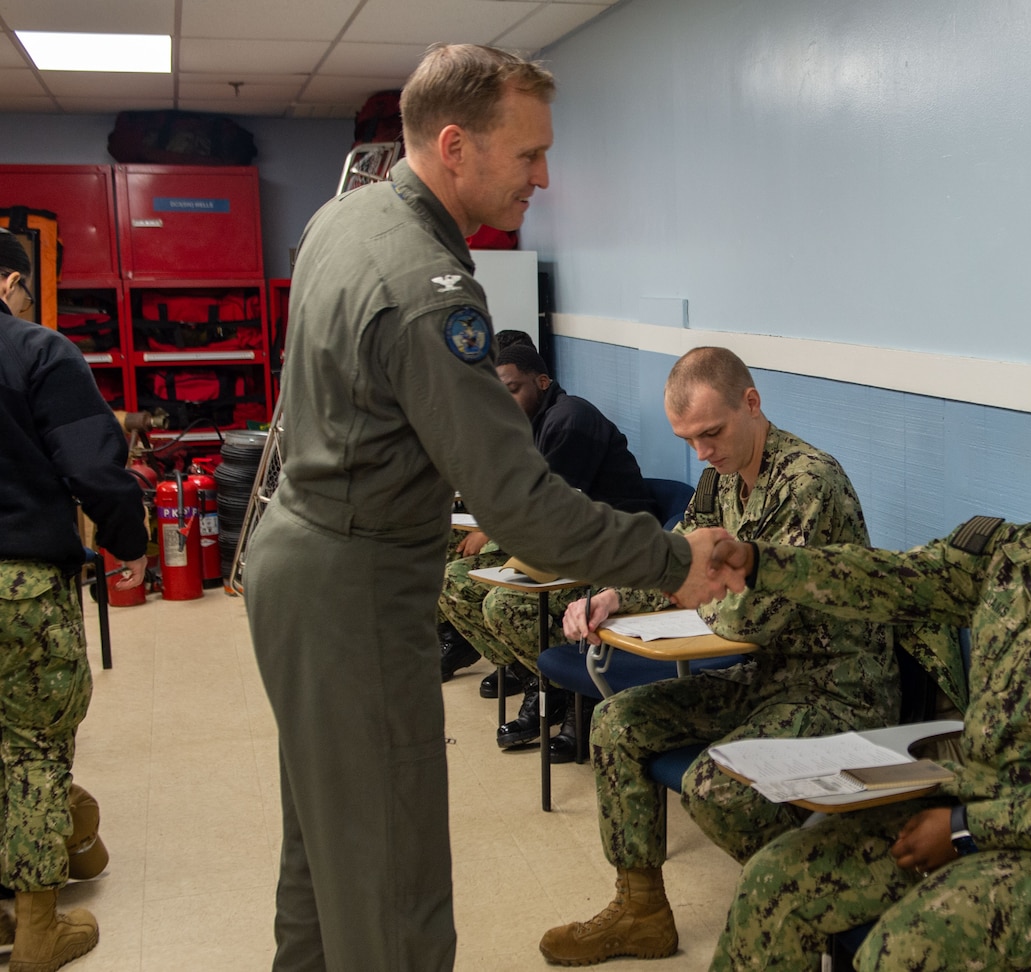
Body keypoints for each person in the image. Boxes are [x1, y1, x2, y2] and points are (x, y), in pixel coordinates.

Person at [243, 46, 726, 972]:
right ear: (455, 145)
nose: (545, 177)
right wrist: (674, 560)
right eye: (529, 155)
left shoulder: (346, 218)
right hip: (355, 586)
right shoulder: (429, 292)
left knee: (325, 857)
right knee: (390, 882)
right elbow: (525, 508)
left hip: (298, 558)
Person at [704, 402, 1031, 971]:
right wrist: (762, 563)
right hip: (974, 801)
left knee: (904, 952)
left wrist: (965, 829)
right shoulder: (1013, 555)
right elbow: (891, 580)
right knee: (775, 882)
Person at [537, 346, 905, 966]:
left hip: (836, 686)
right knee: (617, 724)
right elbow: (683, 557)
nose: (702, 452)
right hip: (762, 676)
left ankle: (814, 904)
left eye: (711, 433)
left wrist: (688, 596)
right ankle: (642, 912)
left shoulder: (808, 482)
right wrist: (613, 596)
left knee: (717, 789)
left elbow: (754, 616)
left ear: (751, 404)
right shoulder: (722, 475)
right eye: (690, 440)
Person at [0, 227, 148, 971]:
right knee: (31, 747)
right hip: (18, 580)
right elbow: (94, 464)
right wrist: (132, 538)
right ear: (6, 283)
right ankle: (35, 929)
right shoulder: (36, 350)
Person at [438, 339, 655, 691]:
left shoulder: (569, 419)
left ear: (542, 382)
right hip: (564, 542)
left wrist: (489, 533)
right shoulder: (526, 422)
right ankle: (525, 671)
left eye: (512, 390)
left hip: (605, 551)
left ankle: (558, 687)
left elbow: (548, 509)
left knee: (490, 598)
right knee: (443, 561)